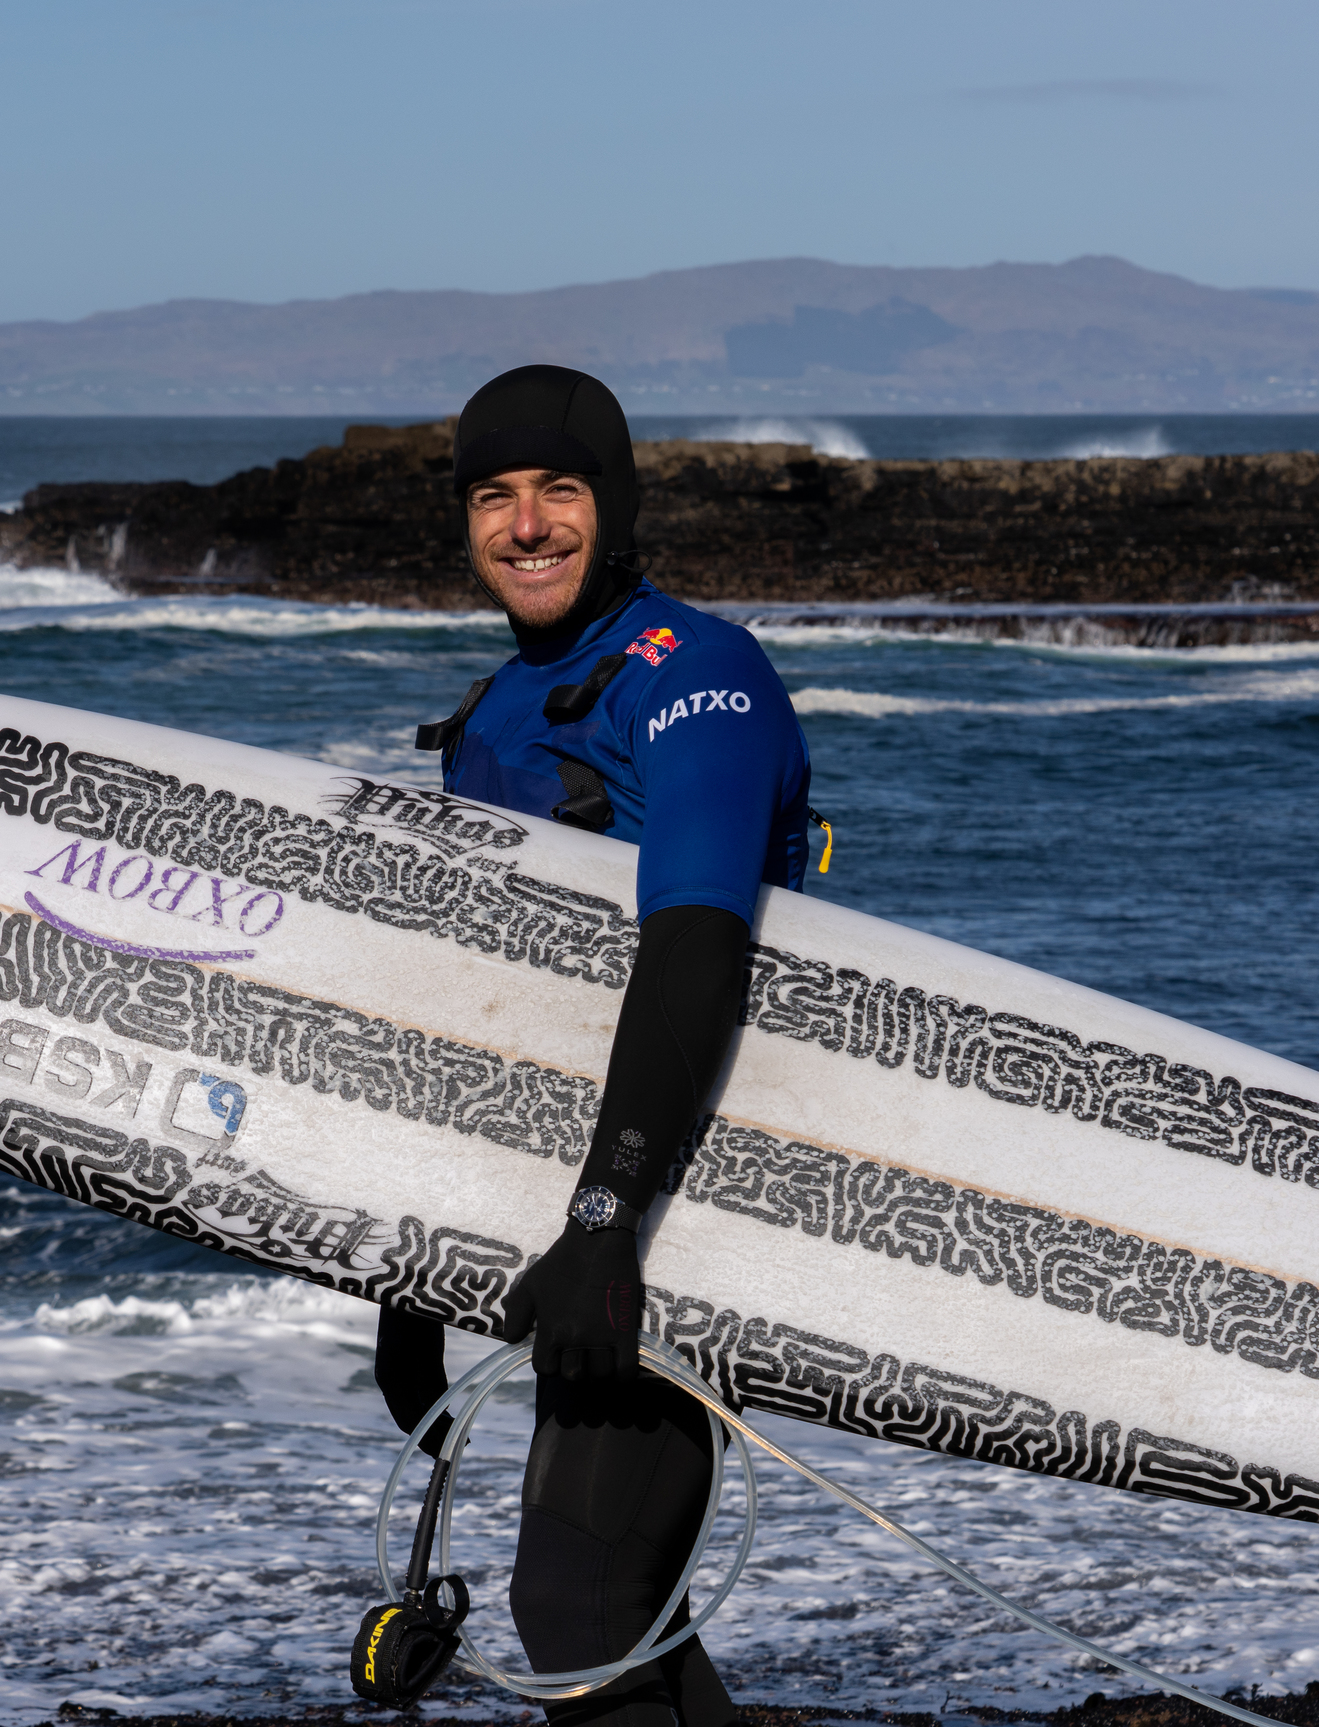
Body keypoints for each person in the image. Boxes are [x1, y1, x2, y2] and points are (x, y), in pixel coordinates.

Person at [374, 365, 812, 1727]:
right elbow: (486, 1011)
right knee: (617, 1616)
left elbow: (695, 942)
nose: (525, 525)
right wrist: (405, 1276)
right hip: (582, 1204)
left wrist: (612, 1216)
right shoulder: (500, 710)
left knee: (580, 1612)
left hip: (700, 1187)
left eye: (559, 490)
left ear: (615, 506)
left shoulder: (700, 678)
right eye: (493, 496)